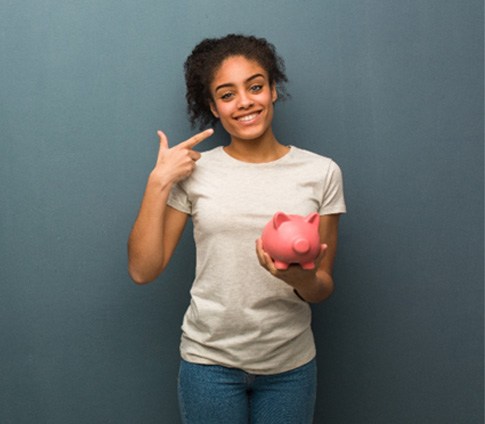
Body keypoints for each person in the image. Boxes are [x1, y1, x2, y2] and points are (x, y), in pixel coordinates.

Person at [128, 34, 346, 424]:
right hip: (209, 365)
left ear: (273, 91)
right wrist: (157, 182)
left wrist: (299, 277)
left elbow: (322, 288)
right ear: (213, 106)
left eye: (256, 87)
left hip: (289, 367)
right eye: (227, 95)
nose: (245, 102)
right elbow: (143, 271)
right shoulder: (195, 173)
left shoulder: (321, 172)